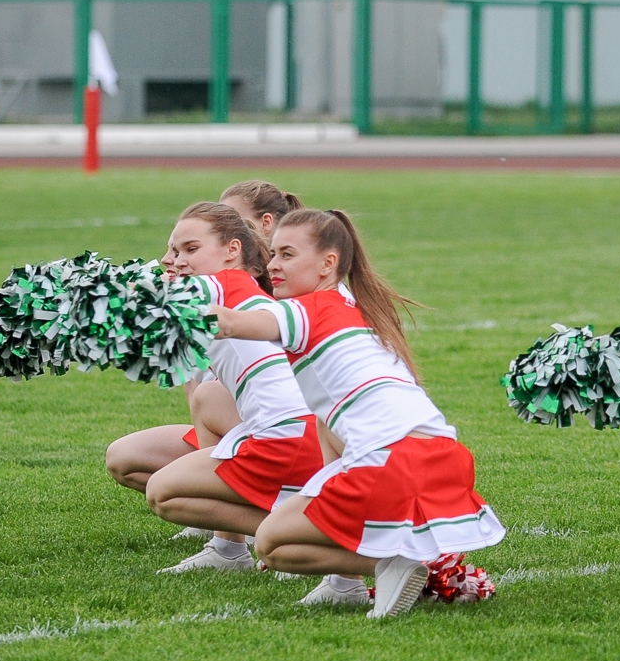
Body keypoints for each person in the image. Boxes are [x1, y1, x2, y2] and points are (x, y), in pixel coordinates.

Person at [210, 209, 504, 619]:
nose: (273, 265)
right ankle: (358, 578)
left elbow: (233, 322)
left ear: (328, 264)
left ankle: (399, 565)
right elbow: (332, 425)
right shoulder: (358, 307)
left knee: (272, 544)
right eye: (273, 253)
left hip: (392, 465)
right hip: (443, 458)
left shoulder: (305, 310)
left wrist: (167, 311)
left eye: (288, 255)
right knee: (291, 505)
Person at [137, 204, 369, 606]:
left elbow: (156, 300)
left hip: (289, 439)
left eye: (189, 249)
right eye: (172, 250)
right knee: (209, 398)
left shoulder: (226, 284)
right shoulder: (269, 296)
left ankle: (308, 532)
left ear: (231, 250)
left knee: (164, 493)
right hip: (311, 435)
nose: (173, 261)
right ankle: (233, 547)